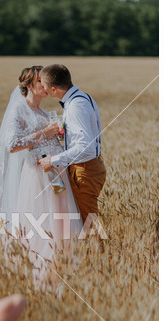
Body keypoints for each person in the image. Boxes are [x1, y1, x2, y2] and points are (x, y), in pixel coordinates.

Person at [0, 66, 82, 284]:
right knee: (40, 220)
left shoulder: (43, 112)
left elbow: (47, 140)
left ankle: (59, 270)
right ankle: (37, 271)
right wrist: (45, 133)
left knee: (60, 221)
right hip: (37, 175)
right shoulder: (18, 109)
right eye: (40, 81)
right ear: (30, 85)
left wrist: (57, 134)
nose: (46, 85)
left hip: (55, 173)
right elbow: (12, 144)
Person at [39, 64, 107, 225]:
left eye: (44, 85)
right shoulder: (82, 97)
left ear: (54, 89)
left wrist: (52, 160)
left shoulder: (76, 106)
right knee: (86, 223)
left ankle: (99, 251)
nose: (42, 88)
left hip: (84, 171)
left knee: (88, 225)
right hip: (89, 168)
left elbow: (85, 147)